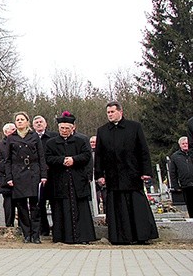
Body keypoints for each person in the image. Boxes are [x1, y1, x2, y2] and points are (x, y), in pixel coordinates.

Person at [94, 100, 159, 245]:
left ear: (120, 112)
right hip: (113, 176)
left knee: (136, 206)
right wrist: (99, 175)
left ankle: (141, 236)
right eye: (108, 112)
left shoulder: (134, 127)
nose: (110, 115)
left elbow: (143, 150)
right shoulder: (102, 131)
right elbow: (99, 155)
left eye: (112, 112)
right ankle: (120, 237)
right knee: (117, 207)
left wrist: (146, 171)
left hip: (132, 174)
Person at [45, 111, 96, 244]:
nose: (64, 131)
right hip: (60, 180)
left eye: (67, 128)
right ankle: (63, 237)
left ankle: (83, 237)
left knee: (81, 209)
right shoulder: (51, 143)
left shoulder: (80, 141)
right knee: (61, 209)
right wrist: (62, 160)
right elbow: (48, 158)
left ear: (73, 128)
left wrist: (74, 160)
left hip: (77, 179)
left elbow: (86, 156)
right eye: (62, 128)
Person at [6, 112, 46, 243]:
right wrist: (9, 177)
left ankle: (36, 234)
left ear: (27, 122)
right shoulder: (11, 138)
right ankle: (26, 234)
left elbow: (41, 157)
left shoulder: (34, 136)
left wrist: (43, 175)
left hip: (33, 172)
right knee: (21, 206)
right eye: (17, 120)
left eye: (22, 119)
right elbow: (7, 160)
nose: (20, 122)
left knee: (35, 205)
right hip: (18, 174)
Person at [32, 115, 58, 236]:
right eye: (36, 122)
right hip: (37, 176)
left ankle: (57, 227)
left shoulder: (53, 136)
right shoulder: (30, 138)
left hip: (52, 174)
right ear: (33, 125)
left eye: (41, 122)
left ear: (46, 124)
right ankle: (43, 229)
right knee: (39, 203)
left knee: (54, 201)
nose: (38, 124)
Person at [0, 122, 17, 227]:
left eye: (14, 129)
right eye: (12, 129)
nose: (14, 131)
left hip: (20, 179)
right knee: (9, 204)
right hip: (6, 180)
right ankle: (9, 225)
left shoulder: (20, 142)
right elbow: (0, 163)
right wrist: (12, 171)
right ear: (5, 132)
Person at [169, 136, 193, 217]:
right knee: (190, 203)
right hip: (185, 184)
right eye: (183, 144)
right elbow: (173, 172)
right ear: (180, 145)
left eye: (186, 143)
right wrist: (175, 185)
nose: (185, 145)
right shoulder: (175, 156)